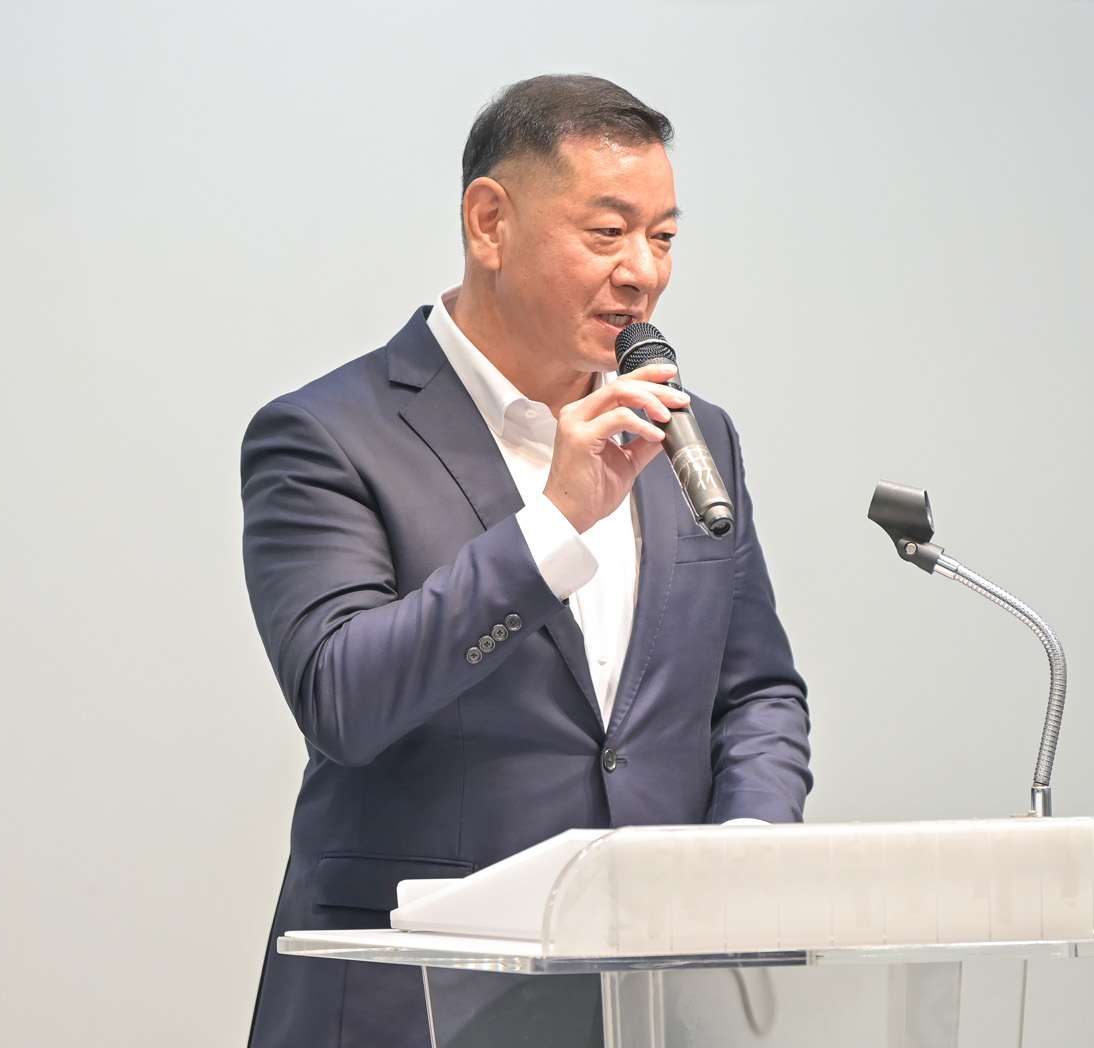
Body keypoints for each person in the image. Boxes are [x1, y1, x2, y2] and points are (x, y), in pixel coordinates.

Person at [240, 74, 812, 1048]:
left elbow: (755, 691)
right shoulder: (327, 435)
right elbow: (344, 701)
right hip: (412, 1001)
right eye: (607, 233)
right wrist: (553, 524)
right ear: (490, 223)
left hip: (643, 999)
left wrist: (748, 848)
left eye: (664, 237)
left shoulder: (691, 434)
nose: (643, 273)